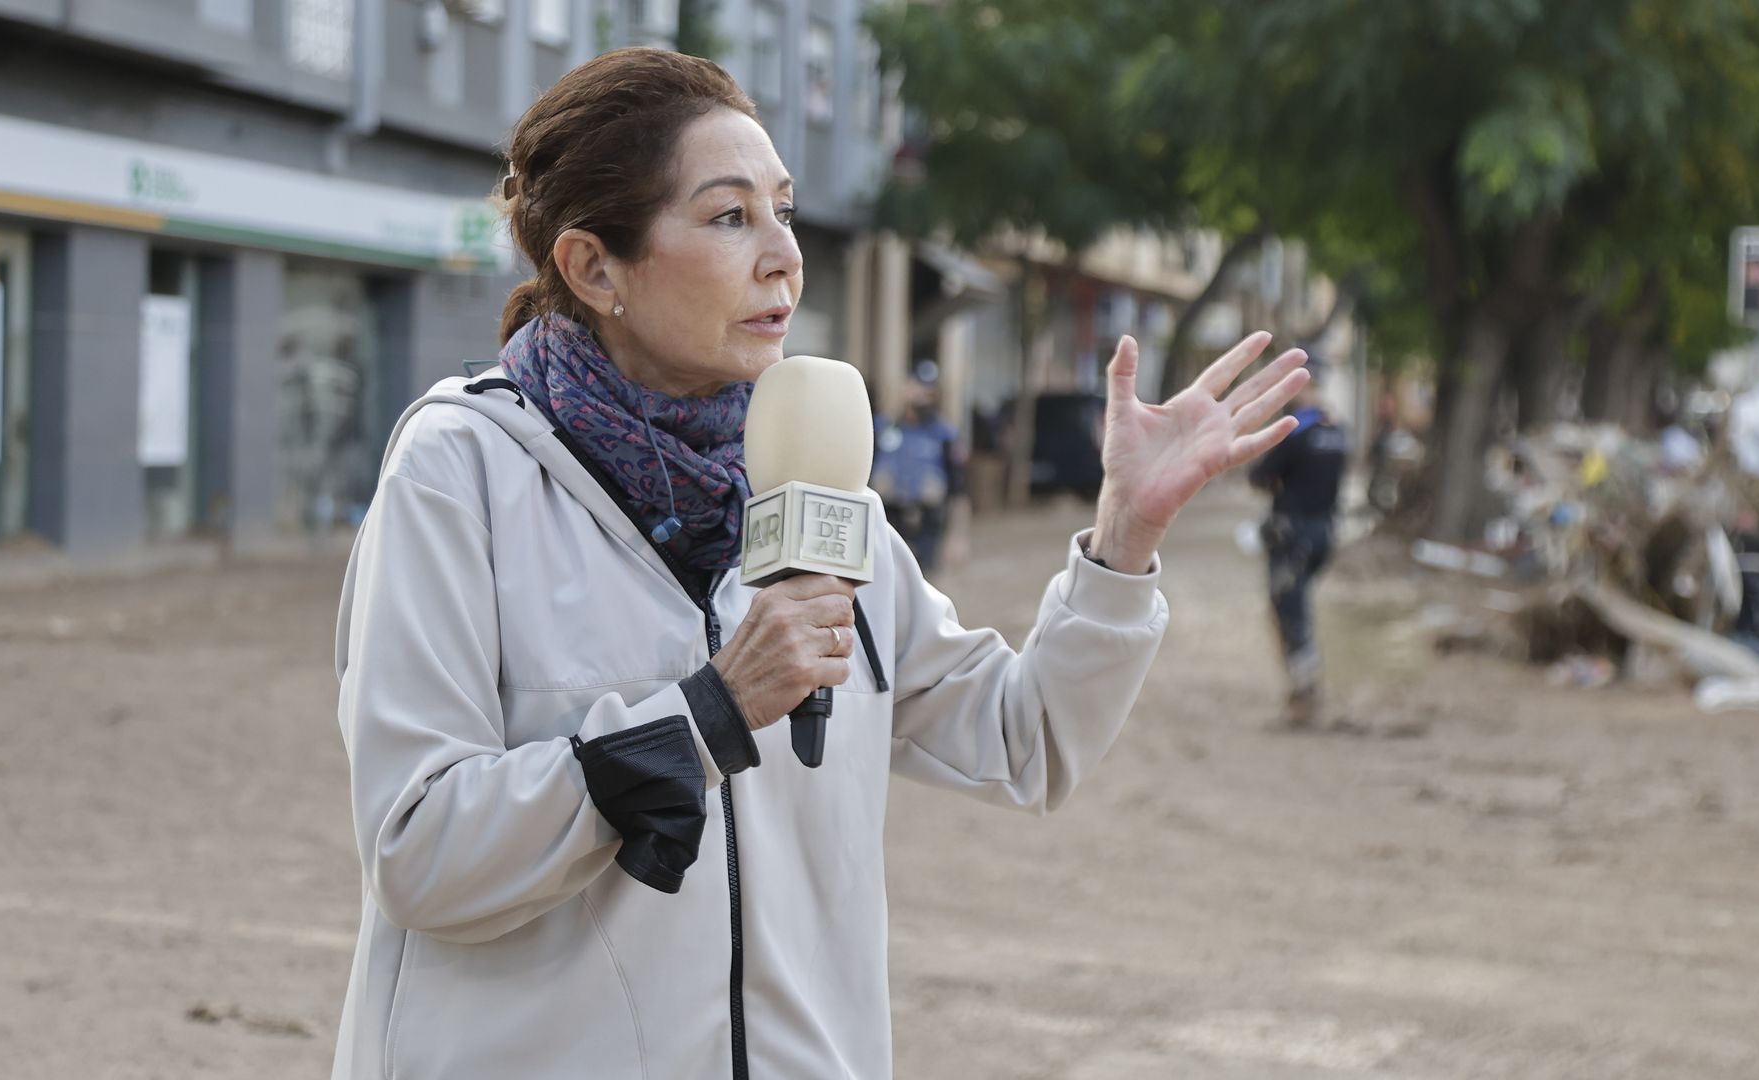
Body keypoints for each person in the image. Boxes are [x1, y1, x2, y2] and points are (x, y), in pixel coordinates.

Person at [329, 48, 1310, 1080]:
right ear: (593, 267)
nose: (783, 257)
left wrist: (1124, 539)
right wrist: (705, 715)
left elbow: (1025, 742)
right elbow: (419, 850)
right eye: (726, 217)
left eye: (783, 211)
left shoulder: (816, 485)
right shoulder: (462, 470)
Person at [1248, 374, 1348, 728]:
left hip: (1292, 533)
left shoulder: (1295, 432)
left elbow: (1258, 475)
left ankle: (1305, 697)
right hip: (1324, 532)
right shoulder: (1338, 432)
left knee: (1290, 611)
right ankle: (1303, 691)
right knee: (1299, 606)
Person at [870, 360, 967, 573]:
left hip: (928, 519)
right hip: (888, 517)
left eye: (929, 391)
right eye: (917, 387)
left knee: (923, 582)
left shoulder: (944, 434)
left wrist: (956, 537)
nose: (922, 395)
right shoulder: (882, 428)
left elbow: (958, 488)